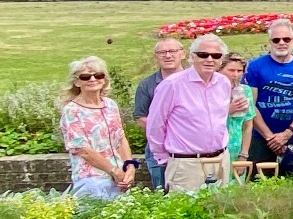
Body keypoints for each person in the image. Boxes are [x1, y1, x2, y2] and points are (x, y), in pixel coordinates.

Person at [148, 34, 236, 192]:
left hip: (221, 160)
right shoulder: (172, 85)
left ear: (221, 59)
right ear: (192, 57)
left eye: (215, 55)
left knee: (221, 212)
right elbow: (156, 124)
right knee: (185, 214)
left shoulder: (224, 83)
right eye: (203, 55)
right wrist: (164, 158)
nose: (209, 59)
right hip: (186, 164)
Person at [244, 19, 293, 174]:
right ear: (269, 42)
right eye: (276, 40)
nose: (281, 43)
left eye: (286, 39)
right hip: (261, 137)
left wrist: (288, 132)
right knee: (259, 183)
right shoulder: (256, 66)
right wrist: (270, 137)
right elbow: (251, 104)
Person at [60, 56, 136, 199]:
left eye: (98, 75)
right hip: (91, 179)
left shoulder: (110, 105)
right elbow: (84, 151)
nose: (93, 79)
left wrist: (130, 167)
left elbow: (120, 138)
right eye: (85, 77)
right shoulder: (72, 110)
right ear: (77, 82)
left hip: (120, 179)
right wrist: (113, 171)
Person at [133, 38, 185, 191]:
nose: (167, 56)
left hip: (189, 149)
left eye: (172, 51)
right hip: (158, 149)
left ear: (183, 54)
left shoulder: (194, 81)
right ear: (156, 57)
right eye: (162, 52)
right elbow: (140, 118)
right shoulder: (146, 85)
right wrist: (168, 132)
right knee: (162, 192)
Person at [217, 53, 257, 169]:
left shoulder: (245, 91)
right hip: (216, 151)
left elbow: (248, 125)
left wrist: (243, 155)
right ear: (219, 70)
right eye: (231, 70)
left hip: (237, 150)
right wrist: (228, 110)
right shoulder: (211, 91)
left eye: (239, 71)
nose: (235, 75)